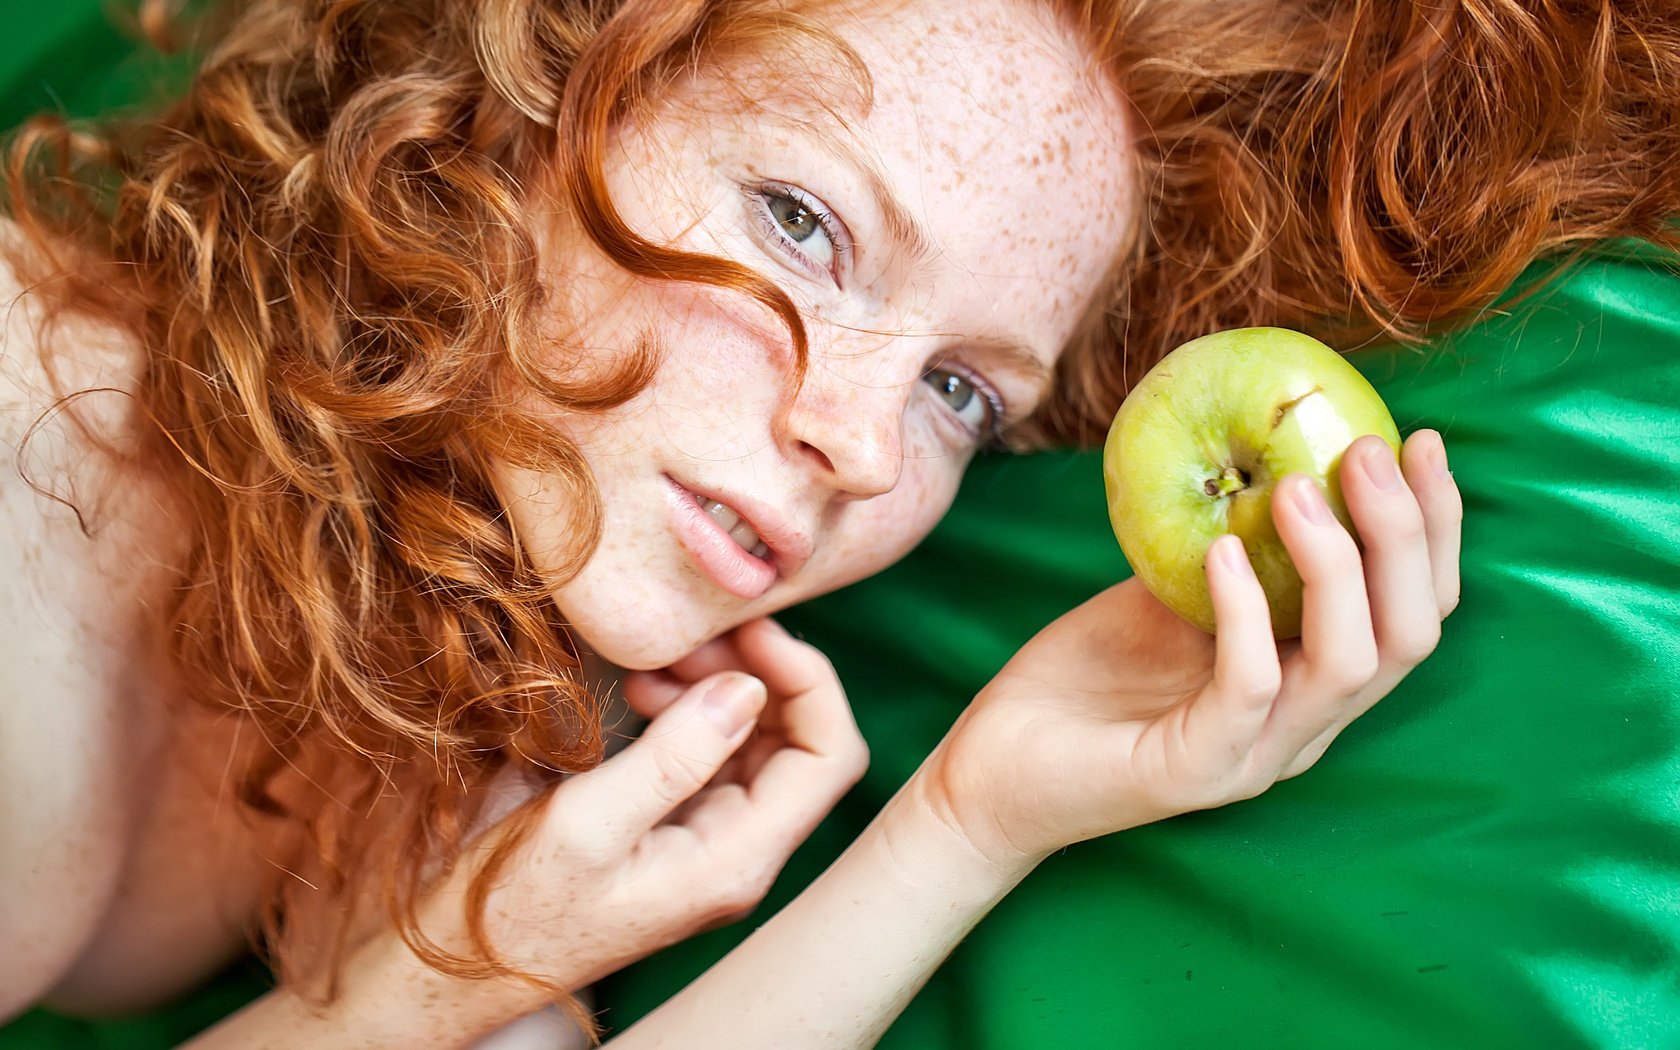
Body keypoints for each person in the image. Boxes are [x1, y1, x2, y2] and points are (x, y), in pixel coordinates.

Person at [0, 0, 1666, 1046]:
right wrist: (436, 985)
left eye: (965, 394)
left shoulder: (484, 623)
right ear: (523, 92)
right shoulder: (28, 553)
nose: (861, 445)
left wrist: (969, 816)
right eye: (803, 224)